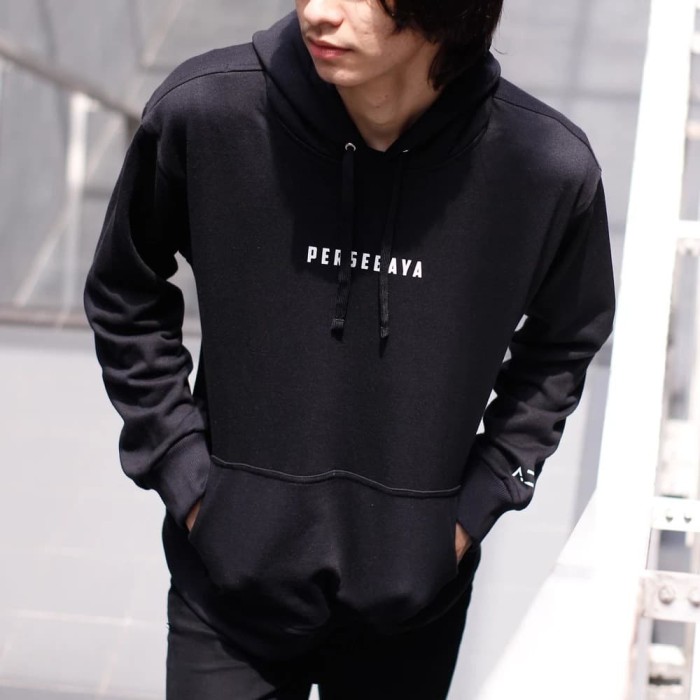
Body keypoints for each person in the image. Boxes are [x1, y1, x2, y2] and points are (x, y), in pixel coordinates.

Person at [83, 0, 616, 697]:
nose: (318, 11)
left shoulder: (546, 168)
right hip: (227, 594)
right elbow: (125, 292)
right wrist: (188, 481)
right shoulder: (207, 112)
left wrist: (478, 503)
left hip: (412, 605)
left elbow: (566, 340)